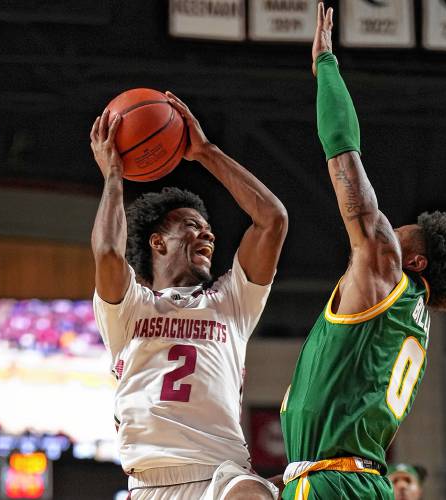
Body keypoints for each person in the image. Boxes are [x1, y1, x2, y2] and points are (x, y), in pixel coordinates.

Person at [278, 3, 446, 499]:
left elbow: (344, 154)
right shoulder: (409, 318)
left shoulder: (387, 272)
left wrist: (325, 66)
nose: (395, 228)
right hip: (357, 479)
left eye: (405, 231)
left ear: (414, 260)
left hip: (333, 481)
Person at [90, 91, 287, 499]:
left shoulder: (232, 300)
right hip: (150, 481)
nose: (208, 234)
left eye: (208, 227)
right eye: (193, 226)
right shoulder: (129, 308)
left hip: (222, 472)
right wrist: (113, 174)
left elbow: (272, 220)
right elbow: (108, 252)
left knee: (251, 495)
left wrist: (206, 151)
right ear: (158, 243)